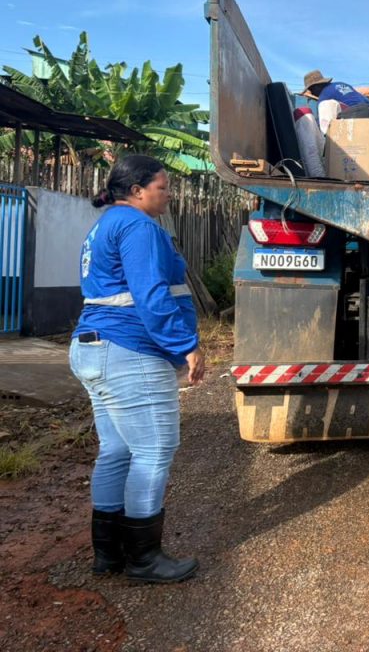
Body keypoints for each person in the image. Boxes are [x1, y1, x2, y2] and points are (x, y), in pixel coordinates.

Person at [70, 155, 205, 584]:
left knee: (117, 450)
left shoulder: (105, 225)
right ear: (136, 191)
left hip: (94, 348)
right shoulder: (138, 226)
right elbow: (151, 295)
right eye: (163, 187)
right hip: (128, 351)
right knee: (154, 450)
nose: (169, 195)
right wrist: (186, 345)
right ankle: (144, 559)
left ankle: (108, 554)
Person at [302, 69, 369, 134]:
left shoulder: (324, 97)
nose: (312, 93)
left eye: (311, 90)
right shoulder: (342, 84)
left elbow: (322, 124)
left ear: (316, 87)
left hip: (355, 118)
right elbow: (366, 101)